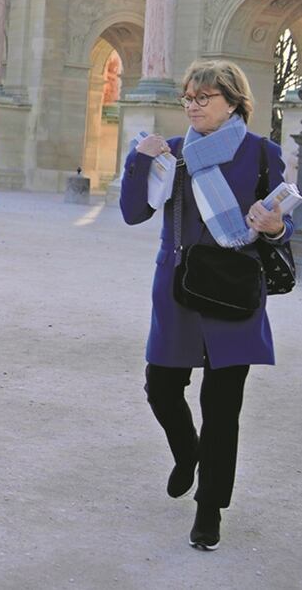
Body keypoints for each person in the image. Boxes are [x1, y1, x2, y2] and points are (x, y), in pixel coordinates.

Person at [120, 59, 294, 552]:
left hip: (234, 290)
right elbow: (134, 213)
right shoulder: (171, 153)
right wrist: (139, 158)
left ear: (233, 102)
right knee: (161, 387)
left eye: (204, 98)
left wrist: (276, 227)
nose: (192, 107)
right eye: (188, 99)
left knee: (222, 409)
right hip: (177, 290)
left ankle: (209, 510)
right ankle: (186, 452)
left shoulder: (263, 154)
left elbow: (285, 220)